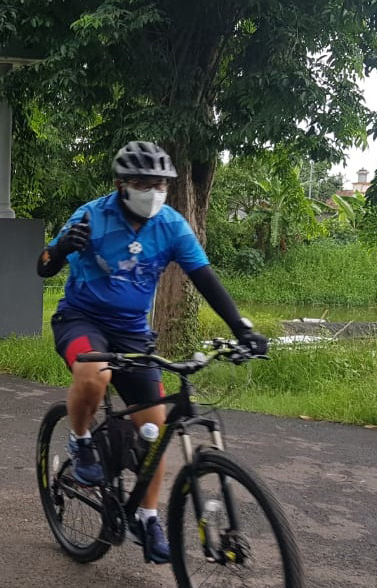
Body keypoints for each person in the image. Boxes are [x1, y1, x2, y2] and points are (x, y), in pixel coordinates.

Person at [36, 141, 268, 564]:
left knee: (154, 430)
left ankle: (146, 516)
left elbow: (203, 277)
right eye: (143, 183)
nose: (153, 190)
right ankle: (80, 440)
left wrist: (242, 328)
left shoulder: (172, 225)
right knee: (96, 372)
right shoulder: (91, 215)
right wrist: (66, 245)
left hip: (133, 332)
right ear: (121, 185)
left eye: (160, 183)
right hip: (82, 320)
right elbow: (44, 264)